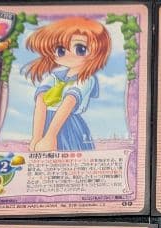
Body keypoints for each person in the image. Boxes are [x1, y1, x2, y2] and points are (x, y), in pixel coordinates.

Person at [24, 17, 111, 152]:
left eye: (80, 49)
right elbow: (41, 101)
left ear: (97, 52)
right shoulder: (54, 76)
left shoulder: (86, 79)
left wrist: (51, 136)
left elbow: (69, 102)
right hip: (45, 122)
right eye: (61, 50)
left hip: (68, 125)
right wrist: (36, 137)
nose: (69, 55)